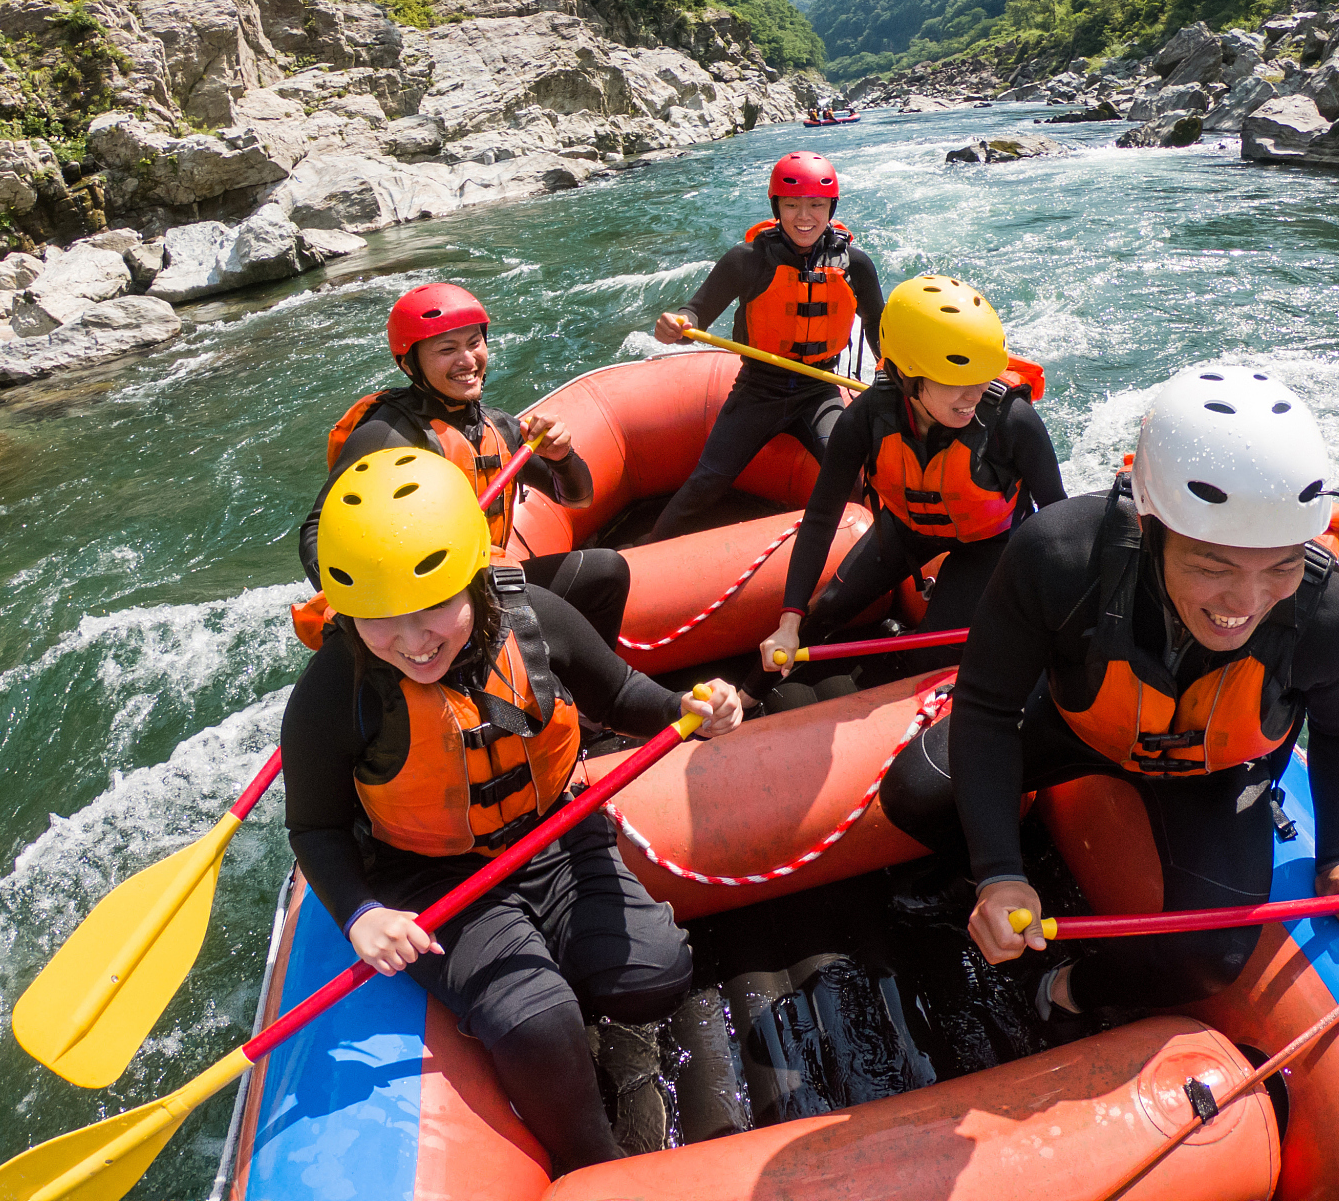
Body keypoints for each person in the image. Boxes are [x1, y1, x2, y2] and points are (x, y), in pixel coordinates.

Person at [876, 364, 1339, 1021]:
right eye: (1213, 566)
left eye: (1281, 566)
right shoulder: (1060, 558)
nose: (1245, 603)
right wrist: (999, 870)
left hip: (1214, 772)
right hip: (1075, 725)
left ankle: (1061, 991)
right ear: (1147, 525)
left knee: (1210, 958)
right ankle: (1011, 860)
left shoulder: (1329, 617)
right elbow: (985, 707)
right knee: (913, 795)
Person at [282, 449, 746, 1176]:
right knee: (533, 1021)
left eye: (433, 604)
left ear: (473, 579)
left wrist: (684, 708)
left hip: (554, 839)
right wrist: (360, 913)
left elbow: (622, 695)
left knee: (657, 974)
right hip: (433, 878)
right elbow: (313, 827)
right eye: (379, 618)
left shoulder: (535, 616)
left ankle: (570, 995)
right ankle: (594, 1164)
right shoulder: (333, 692)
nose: (413, 639)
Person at [750, 275, 1066, 701]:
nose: (973, 395)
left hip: (989, 543)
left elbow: (1056, 519)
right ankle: (748, 697)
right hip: (905, 528)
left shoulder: (1012, 421)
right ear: (906, 376)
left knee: (934, 654)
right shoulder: (864, 419)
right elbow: (822, 517)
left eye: (981, 377)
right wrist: (788, 620)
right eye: (955, 381)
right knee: (823, 612)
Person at [300, 282, 630, 647]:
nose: (468, 361)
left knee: (606, 572)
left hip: (485, 580)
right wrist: (374, 607)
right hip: (425, 602)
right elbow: (317, 529)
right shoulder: (386, 434)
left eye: (474, 343)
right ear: (409, 364)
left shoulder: (498, 427)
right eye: (447, 349)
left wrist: (561, 458)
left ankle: (571, 692)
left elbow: (578, 499)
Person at [646, 152, 886, 542]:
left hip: (819, 387)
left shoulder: (854, 263)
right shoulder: (747, 260)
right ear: (776, 207)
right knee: (708, 482)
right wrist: (677, 325)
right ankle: (646, 546)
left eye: (816, 205)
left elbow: (878, 327)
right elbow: (695, 311)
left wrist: (894, 373)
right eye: (791, 205)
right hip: (758, 388)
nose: (803, 216)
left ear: (831, 207)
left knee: (854, 477)